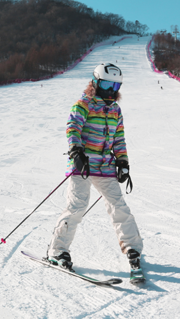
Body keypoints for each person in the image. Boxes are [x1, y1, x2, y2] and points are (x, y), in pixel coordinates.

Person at [47, 63, 143, 275]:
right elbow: (73, 127)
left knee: (119, 206)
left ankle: (132, 248)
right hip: (83, 165)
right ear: (96, 82)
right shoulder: (84, 103)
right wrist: (76, 151)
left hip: (105, 167)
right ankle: (57, 250)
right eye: (107, 84)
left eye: (115, 86)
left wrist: (123, 162)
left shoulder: (115, 110)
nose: (111, 90)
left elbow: (119, 139)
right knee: (77, 207)